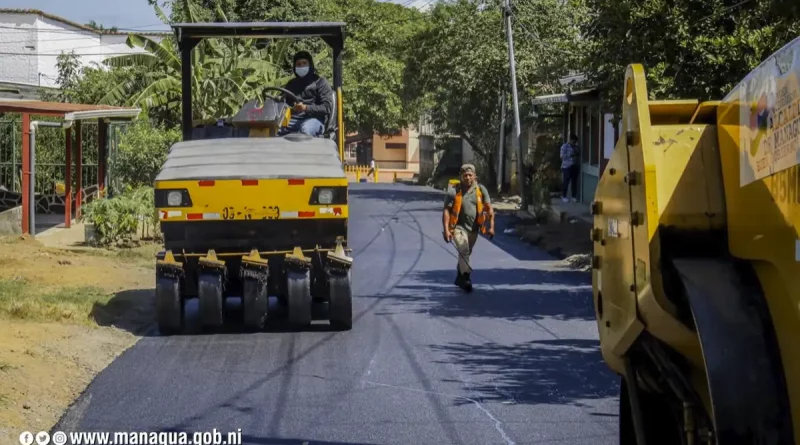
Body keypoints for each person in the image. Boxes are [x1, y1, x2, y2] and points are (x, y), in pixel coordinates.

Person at [442, 164, 495, 292]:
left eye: (470, 175)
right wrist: (446, 230)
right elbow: (446, 211)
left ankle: (459, 276)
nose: (467, 177)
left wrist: (491, 227)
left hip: (474, 229)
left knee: (466, 252)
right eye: (465, 175)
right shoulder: (454, 191)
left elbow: (489, 209)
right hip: (458, 228)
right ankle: (466, 278)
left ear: (475, 176)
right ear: (460, 176)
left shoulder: (481, 190)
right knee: (464, 249)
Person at [278, 51, 334, 137]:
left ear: (310, 65)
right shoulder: (291, 84)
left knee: (306, 129)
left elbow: (326, 108)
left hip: (313, 119)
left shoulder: (320, 82)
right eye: (298, 64)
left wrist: (306, 108)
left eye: (304, 63)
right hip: (292, 119)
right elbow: (282, 101)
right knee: (273, 128)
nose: (301, 66)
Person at [560, 134, 580, 203]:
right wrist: (570, 155)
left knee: (574, 182)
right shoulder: (564, 146)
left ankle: (573, 196)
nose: (574, 143)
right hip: (566, 166)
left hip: (574, 165)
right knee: (566, 181)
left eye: (575, 142)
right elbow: (562, 156)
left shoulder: (575, 147)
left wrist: (576, 151)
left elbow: (578, 153)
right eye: (573, 142)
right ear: (570, 140)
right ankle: (564, 196)